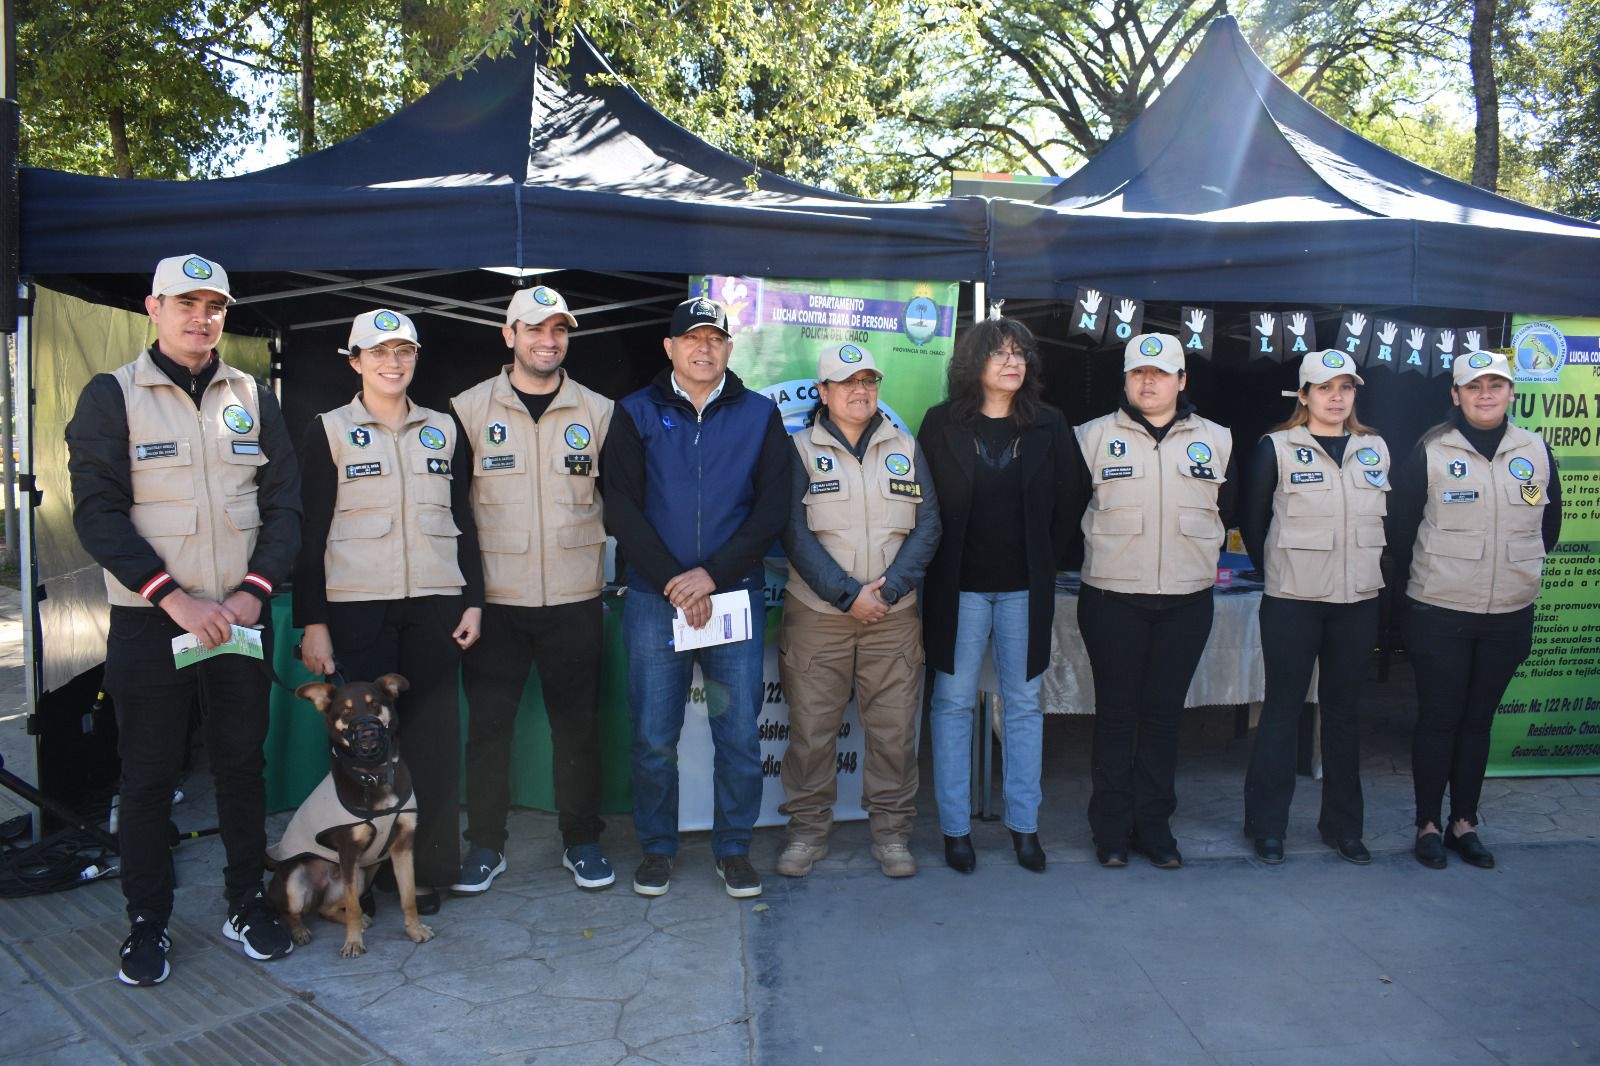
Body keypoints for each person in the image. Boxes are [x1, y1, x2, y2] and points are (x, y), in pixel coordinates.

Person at [67, 254, 302, 985]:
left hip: (236, 616)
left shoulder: (253, 396)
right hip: (151, 619)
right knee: (148, 776)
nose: (201, 318)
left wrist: (251, 594)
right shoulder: (112, 395)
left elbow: (284, 505)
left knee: (239, 767)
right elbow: (97, 512)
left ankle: (244, 903)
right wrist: (175, 598)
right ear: (153, 307)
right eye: (185, 303)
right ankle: (148, 924)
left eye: (215, 306)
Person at [601, 297, 790, 898]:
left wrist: (710, 575)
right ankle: (657, 847)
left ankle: (733, 848)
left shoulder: (760, 415)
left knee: (738, 734)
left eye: (714, 338)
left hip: (732, 595)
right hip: (657, 602)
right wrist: (673, 582)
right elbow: (621, 510)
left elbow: (772, 512)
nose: (703, 348)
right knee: (655, 736)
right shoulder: (634, 413)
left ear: (729, 349)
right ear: (670, 348)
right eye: (692, 338)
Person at [294, 309, 483, 912]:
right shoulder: (327, 429)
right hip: (357, 610)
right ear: (355, 362)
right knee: (366, 750)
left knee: (432, 741)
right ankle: (368, 878)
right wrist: (313, 620)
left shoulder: (444, 429)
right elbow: (309, 533)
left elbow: (465, 520)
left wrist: (473, 600)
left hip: (433, 606)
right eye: (378, 353)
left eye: (404, 352)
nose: (392, 363)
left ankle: (428, 871)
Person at [449, 285, 616, 894]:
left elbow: (617, 502)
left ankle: (583, 840)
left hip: (574, 600)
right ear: (509, 335)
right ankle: (486, 845)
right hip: (496, 604)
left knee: (578, 728)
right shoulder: (466, 411)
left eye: (559, 331)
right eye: (536, 330)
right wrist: (468, 595)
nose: (549, 342)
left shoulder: (598, 412)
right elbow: (455, 516)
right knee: (488, 731)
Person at [1390, 349, 1562, 871]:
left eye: (1495, 385)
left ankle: (1465, 822)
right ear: (1456, 395)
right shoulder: (1432, 451)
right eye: (1473, 386)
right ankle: (1428, 824)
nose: (1485, 394)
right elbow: (1401, 529)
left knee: (1477, 720)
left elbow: (1546, 523)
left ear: (1511, 393)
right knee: (1440, 717)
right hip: (1440, 609)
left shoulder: (1533, 452)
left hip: (1509, 611)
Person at [777, 345, 941, 879]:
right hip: (817, 617)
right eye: (846, 382)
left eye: (869, 380)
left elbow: (928, 527)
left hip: (893, 619)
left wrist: (887, 593)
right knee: (811, 733)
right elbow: (792, 534)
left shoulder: (906, 446)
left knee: (894, 733)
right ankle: (806, 834)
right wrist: (848, 595)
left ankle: (892, 835)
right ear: (822, 392)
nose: (860, 390)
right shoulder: (797, 450)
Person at [918, 317, 1074, 875]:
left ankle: (1025, 829)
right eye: (1000, 353)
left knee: (1025, 706)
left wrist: (1043, 559)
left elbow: (1070, 500)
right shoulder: (940, 425)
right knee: (953, 704)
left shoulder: (1049, 425)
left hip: (1023, 591)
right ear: (973, 364)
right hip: (957, 591)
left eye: (1020, 354)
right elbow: (922, 507)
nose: (1012, 362)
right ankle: (955, 831)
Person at [1074, 332, 1235, 870]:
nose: (1149, 381)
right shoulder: (1090, 438)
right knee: (1117, 717)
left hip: (1187, 602)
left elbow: (1228, 515)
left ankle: (1155, 828)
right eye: (1138, 372)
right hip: (1112, 600)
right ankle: (1112, 832)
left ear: (1181, 380)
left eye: (1161, 373)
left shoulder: (1217, 438)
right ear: (1125, 379)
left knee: (1164, 719)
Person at [1239, 350, 1389, 865]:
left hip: (1356, 602)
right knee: (1282, 709)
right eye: (1324, 388)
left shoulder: (1376, 448)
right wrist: (1281, 574)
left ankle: (1344, 826)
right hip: (1293, 601)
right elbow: (1254, 524)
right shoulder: (1276, 448)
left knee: (1344, 714)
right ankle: (1266, 825)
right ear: (1303, 396)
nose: (1336, 397)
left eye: (1346, 388)